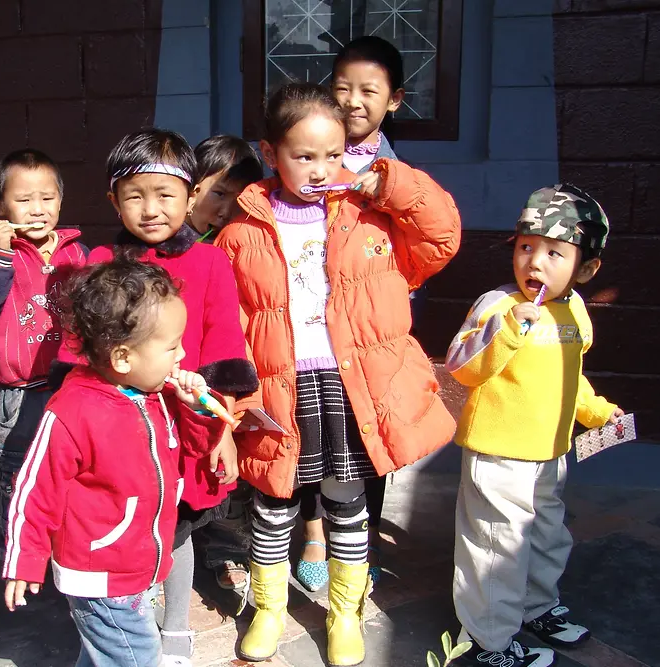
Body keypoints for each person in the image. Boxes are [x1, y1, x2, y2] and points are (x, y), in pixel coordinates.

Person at [216, 82, 460, 665]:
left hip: (352, 388)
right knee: (273, 500)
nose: (321, 169)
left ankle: (343, 611)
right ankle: (270, 606)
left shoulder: (370, 216)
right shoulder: (239, 233)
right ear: (270, 152)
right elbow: (225, 320)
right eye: (304, 156)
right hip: (278, 387)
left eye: (334, 154)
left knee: (347, 503)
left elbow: (442, 236)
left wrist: (394, 183)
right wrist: (230, 397)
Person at [54, 128, 259, 665]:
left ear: (191, 195)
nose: (150, 209)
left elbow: (223, 346)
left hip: (186, 419)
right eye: (134, 195)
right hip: (118, 424)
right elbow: (81, 347)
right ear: (113, 199)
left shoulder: (210, 263)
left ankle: (174, 628)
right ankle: (126, 619)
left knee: (176, 523)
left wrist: (224, 428)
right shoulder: (100, 259)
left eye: (165, 194)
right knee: (125, 516)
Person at [2, 258, 228, 667]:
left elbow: (192, 448)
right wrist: (25, 558)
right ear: (123, 357)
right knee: (136, 657)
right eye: (172, 345)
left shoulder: (151, 393)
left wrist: (196, 408)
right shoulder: (72, 412)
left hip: (138, 563)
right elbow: (35, 491)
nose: (182, 355)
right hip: (99, 572)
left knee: (107, 655)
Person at [445, 185, 623, 667]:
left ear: (586, 269)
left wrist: (598, 412)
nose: (534, 263)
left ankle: (536, 607)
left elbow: (571, 378)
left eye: (554, 253)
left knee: (546, 536)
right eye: (526, 248)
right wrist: (506, 333)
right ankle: (490, 640)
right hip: (497, 455)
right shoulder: (497, 307)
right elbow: (462, 366)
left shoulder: (574, 311)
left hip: (550, 454)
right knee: (496, 548)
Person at [282, 34, 419, 593]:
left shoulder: (394, 169)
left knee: (366, 431)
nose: (355, 100)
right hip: (308, 324)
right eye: (343, 88)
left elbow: (423, 241)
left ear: (395, 100)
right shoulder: (304, 161)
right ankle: (313, 531)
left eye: (370, 90)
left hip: (370, 321)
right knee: (311, 429)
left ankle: (359, 539)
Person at [0, 149, 87, 560]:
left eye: (47, 198)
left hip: (73, 387)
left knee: (69, 470)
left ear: (60, 201)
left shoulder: (77, 254)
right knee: (18, 473)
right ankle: (15, 547)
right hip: (21, 394)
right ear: (0, 207)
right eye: (23, 200)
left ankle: (62, 544)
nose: (37, 210)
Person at [185, 134, 262, 592]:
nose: (225, 207)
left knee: (230, 465)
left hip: (229, 372)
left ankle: (226, 546)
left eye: (238, 198)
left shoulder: (238, 242)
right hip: (179, 373)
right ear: (191, 186)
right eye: (218, 192)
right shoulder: (172, 242)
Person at [186, 134, 263, 243]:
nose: (225, 213)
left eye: (239, 201)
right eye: (220, 194)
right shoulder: (161, 235)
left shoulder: (240, 246)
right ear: (192, 187)